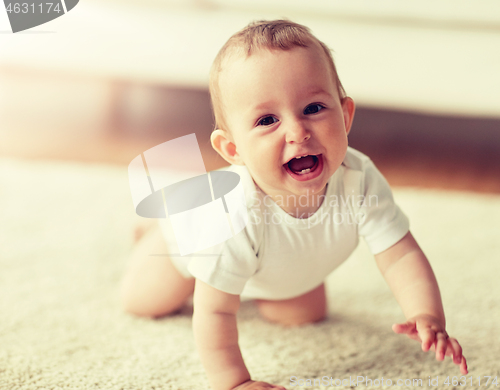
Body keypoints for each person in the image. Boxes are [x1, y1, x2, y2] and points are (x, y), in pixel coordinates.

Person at [120, 19, 468, 390]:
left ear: (346, 115)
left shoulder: (357, 177)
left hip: (275, 267)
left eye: (314, 108)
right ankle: (154, 231)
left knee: (305, 313)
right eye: (267, 120)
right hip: (187, 245)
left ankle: (236, 274)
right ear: (233, 150)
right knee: (145, 302)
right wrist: (234, 382)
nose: (297, 131)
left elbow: (399, 254)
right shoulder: (235, 217)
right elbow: (215, 310)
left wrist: (426, 313)